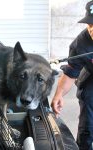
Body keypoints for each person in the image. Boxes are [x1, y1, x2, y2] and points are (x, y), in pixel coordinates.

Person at [51, 1, 93, 150]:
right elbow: (70, 73)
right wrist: (58, 95)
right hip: (91, 82)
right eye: (90, 24)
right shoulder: (81, 43)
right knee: (87, 128)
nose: (92, 30)